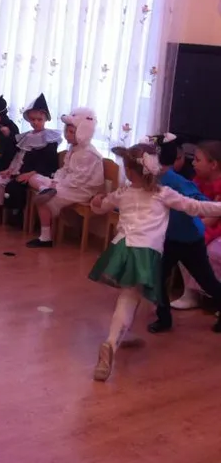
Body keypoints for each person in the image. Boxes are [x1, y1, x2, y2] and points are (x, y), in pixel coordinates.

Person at [88, 143, 221, 382]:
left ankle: (120, 335)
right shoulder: (163, 193)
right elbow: (196, 207)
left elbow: (101, 207)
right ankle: (111, 342)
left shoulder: (123, 192)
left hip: (122, 248)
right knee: (129, 296)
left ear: (130, 172)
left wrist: (95, 201)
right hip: (145, 252)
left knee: (129, 294)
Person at [143, 134, 221, 333]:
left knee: (207, 282)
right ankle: (163, 318)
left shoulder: (176, 181)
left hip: (189, 241)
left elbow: (200, 201)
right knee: (158, 277)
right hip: (167, 239)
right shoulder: (151, 179)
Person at [25, 107, 103, 248]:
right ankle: (45, 189)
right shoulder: (73, 148)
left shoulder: (89, 153)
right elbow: (65, 170)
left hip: (81, 190)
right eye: (67, 131)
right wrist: (55, 181)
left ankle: (45, 238)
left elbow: (80, 179)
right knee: (34, 178)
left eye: (72, 132)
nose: (67, 135)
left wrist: (58, 184)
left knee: (44, 201)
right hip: (66, 184)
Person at [0, 93, 61, 222]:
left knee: (14, 187)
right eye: (33, 119)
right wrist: (10, 169)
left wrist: (31, 173)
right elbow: (19, 156)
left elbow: (49, 162)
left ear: (45, 119)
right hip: (19, 171)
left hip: (35, 173)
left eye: (39, 119)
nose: (35, 122)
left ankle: (17, 216)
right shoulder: (27, 136)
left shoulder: (49, 138)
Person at [171, 140, 221, 310]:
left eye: (198, 160)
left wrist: (192, 225)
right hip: (203, 222)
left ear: (213, 165)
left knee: (195, 245)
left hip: (215, 225)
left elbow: (213, 217)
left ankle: (208, 294)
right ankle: (191, 293)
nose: (193, 163)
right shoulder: (198, 180)